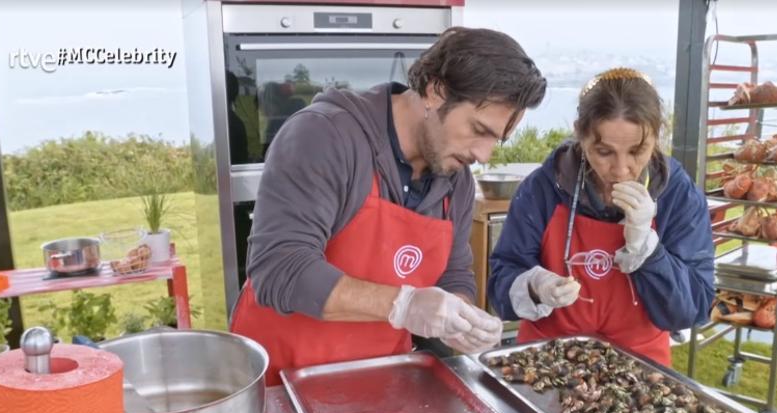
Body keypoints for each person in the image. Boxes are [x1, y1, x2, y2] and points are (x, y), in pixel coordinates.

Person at [231, 27, 548, 384]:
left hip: (377, 384)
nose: (483, 154)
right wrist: (405, 305)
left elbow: (453, 274)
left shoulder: (454, 180)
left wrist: (460, 320)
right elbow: (280, 268)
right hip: (281, 382)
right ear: (435, 90)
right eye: (479, 129)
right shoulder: (325, 137)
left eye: (497, 140)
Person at [487, 67, 714, 366]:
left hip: (640, 369)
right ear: (580, 134)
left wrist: (648, 250)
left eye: (637, 151)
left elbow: (693, 310)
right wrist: (534, 286)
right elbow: (500, 289)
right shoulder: (543, 188)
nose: (621, 169)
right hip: (546, 361)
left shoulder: (679, 196)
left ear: (657, 138)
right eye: (604, 152)